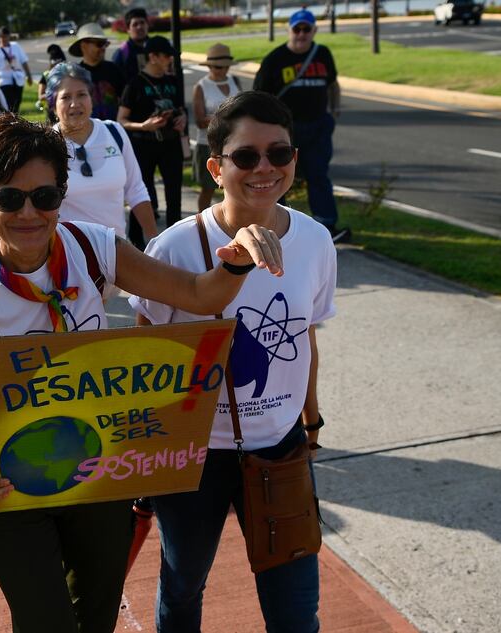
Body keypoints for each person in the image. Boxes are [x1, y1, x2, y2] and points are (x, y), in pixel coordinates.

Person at [0, 112, 282, 633]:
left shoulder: (92, 248)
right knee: (43, 622)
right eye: (9, 197)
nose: (28, 213)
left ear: (61, 196)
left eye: (45, 197)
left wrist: (234, 263)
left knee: (96, 617)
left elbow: (196, 293)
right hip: (10, 483)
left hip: (99, 473)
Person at [130, 90, 333, 633]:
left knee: (296, 611)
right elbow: (145, 350)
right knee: (183, 586)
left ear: (294, 159)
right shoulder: (173, 248)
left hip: (281, 446)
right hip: (194, 455)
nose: (264, 168)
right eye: (246, 156)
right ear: (216, 168)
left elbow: (305, 337)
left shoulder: (315, 241)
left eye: (279, 153)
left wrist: (311, 420)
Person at [254, 8, 350, 244]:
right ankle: (276, 227)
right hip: (286, 131)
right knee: (278, 177)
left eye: (307, 29)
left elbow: (332, 84)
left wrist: (334, 111)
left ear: (314, 31)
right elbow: (258, 97)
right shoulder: (275, 59)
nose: (302, 34)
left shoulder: (322, 54)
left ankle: (326, 225)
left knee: (318, 175)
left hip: (318, 127)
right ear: (289, 30)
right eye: (297, 29)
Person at [47, 63, 156, 243]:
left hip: (116, 251)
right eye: (65, 97)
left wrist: (154, 240)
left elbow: (136, 189)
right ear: (53, 105)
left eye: (82, 94)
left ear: (91, 98)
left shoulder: (114, 132)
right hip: (68, 253)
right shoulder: (46, 145)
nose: (75, 104)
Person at [117, 35, 187, 247]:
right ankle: (137, 241)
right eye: (166, 56)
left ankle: (176, 240)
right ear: (153, 57)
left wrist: (182, 118)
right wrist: (143, 125)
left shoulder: (173, 81)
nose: (170, 59)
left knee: (174, 193)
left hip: (170, 143)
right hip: (143, 145)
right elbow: (121, 120)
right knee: (142, 193)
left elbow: (180, 108)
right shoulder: (135, 84)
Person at [193, 43, 242, 212]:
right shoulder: (201, 86)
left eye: (226, 66)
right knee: (208, 188)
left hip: (234, 143)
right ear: (209, 66)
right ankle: (202, 221)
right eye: (218, 67)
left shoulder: (234, 81)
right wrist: (227, 118)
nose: (222, 70)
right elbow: (199, 121)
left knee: (234, 186)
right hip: (208, 144)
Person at [68, 23, 125, 122]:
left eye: (105, 44)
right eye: (99, 44)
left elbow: (125, 101)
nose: (103, 48)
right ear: (84, 45)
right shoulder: (75, 76)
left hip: (112, 127)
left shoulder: (113, 69)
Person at [0, 27, 32, 114]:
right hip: (4, 81)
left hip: (18, 79)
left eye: (5, 36)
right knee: (8, 103)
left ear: (9, 36)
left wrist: (29, 76)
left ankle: (15, 119)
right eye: (1, 37)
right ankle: (9, 119)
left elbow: (24, 61)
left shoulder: (15, 46)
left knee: (17, 102)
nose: (3, 39)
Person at [112, 7, 150, 84]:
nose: (139, 27)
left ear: (147, 25)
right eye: (135, 24)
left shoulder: (156, 48)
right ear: (128, 30)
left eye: (142, 23)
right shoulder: (122, 53)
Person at [37, 44, 66, 124]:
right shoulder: (46, 75)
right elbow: (40, 96)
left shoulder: (70, 75)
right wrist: (54, 94)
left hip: (67, 109)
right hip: (51, 111)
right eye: (55, 64)